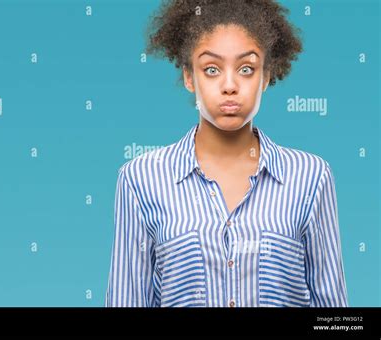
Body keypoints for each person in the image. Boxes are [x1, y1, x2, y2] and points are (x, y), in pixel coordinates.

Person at [105, 0, 348, 307]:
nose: (230, 85)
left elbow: (334, 314)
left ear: (266, 76)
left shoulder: (312, 177)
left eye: (246, 69)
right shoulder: (139, 180)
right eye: (211, 69)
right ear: (189, 77)